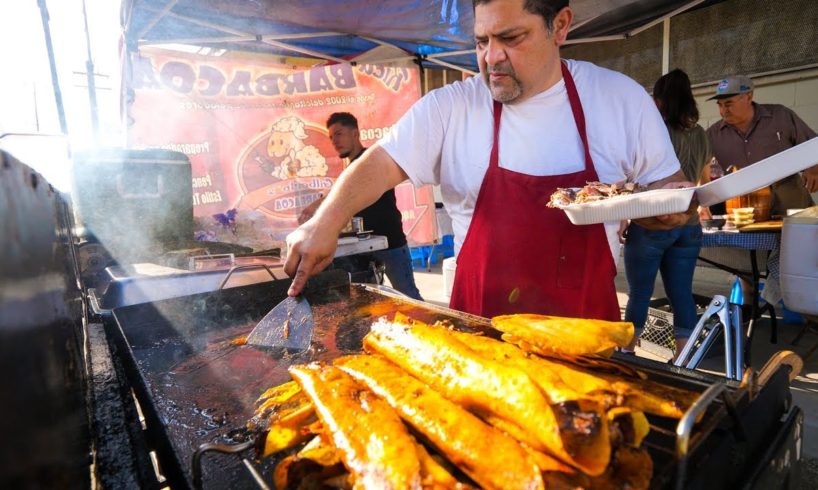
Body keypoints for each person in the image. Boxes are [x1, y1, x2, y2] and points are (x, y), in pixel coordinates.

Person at [285, 0, 692, 319]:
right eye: (481, 41)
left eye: (511, 38)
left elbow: (665, 188)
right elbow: (381, 162)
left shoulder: (621, 100)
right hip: (480, 342)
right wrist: (327, 220)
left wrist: (666, 208)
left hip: (587, 340)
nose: (490, 58)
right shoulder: (452, 106)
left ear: (561, 26)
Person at [622, 69, 711, 357]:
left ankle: (627, 354)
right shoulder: (701, 135)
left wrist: (623, 216)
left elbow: (631, 178)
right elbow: (704, 179)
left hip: (652, 224)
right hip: (689, 224)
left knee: (640, 293)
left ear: (658, 102)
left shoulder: (653, 131)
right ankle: (684, 361)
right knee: (682, 293)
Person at [298, 112, 423, 300]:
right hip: (364, 247)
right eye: (331, 137)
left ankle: (436, 327)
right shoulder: (351, 167)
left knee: (408, 296)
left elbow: (342, 193)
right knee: (367, 300)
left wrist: (315, 207)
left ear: (355, 133)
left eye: (339, 134)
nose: (334, 141)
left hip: (391, 242)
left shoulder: (369, 161)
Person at [706, 75, 818, 216]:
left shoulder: (780, 116)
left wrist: (814, 169)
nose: (723, 111)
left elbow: (813, 144)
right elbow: (698, 168)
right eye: (720, 105)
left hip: (789, 198)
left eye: (728, 104)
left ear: (748, 96)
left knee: (799, 236)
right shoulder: (712, 135)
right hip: (744, 207)